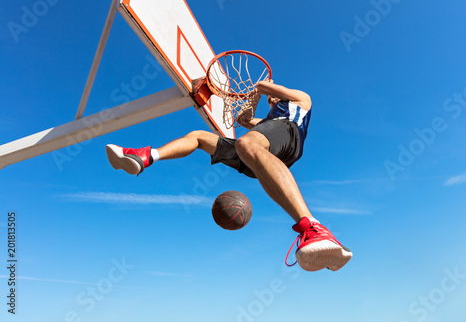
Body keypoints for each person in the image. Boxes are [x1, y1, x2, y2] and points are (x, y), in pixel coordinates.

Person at [106, 80, 352, 272]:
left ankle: (313, 227)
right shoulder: (266, 121)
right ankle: (146, 156)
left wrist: (260, 89)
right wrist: (246, 111)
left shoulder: (300, 101)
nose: (271, 99)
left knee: (248, 144)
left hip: (288, 135)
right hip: (262, 148)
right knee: (201, 137)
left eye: (273, 97)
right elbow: (242, 120)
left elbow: (263, 86)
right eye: (269, 99)